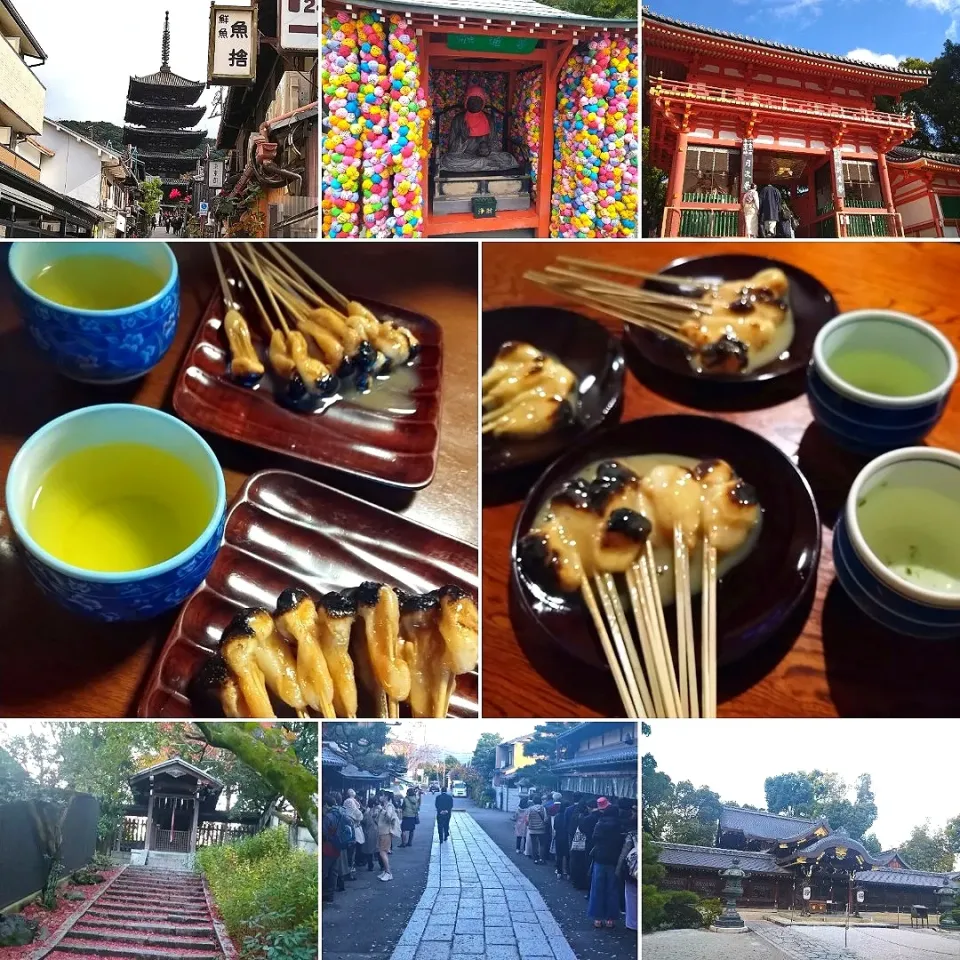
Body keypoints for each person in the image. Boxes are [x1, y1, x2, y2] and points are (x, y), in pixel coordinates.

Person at [441, 85, 518, 172]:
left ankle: (481, 163)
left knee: (508, 158)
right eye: (472, 99)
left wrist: (487, 150)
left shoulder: (489, 119)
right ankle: (483, 164)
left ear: (483, 102)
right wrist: (462, 138)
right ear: (467, 101)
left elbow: (495, 144)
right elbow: (452, 150)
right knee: (448, 160)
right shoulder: (458, 119)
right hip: (465, 157)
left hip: (485, 157)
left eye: (478, 99)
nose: (475, 102)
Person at [588, 797, 624, 928]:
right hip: (613, 860)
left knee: (597, 888)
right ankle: (610, 919)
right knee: (612, 890)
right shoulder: (620, 825)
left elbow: (594, 838)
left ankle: (597, 918)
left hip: (600, 858)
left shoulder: (600, 823)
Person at [617, 813, 638, 932]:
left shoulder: (632, 834)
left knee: (631, 895)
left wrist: (618, 869)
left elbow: (624, 853)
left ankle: (632, 923)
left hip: (632, 868)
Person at [376, 793, 400, 881]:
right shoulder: (385, 806)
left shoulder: (389, 806)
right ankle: (385, 871)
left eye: (382, 795)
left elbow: (389, 817)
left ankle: (388, 873)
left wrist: (381, 810)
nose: (380, 797)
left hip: (386, 832)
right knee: (381, 851)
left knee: (383, 852)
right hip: (382, 831)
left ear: (386, 797)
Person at [568, 800, 591, 890]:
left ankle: (575, 881)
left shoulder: (574, 815)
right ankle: (582, 882)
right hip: (583, 843)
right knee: (582, 863)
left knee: (575, 862)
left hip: (575, 841)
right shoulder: (585, 817)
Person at [342, 788, 363, 880]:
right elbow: (358, 815)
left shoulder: (347, 802)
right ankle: (349, 871)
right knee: (351, 852)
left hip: (347, 828)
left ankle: (348, 870)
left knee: (348, 852)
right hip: (352, 828)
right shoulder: (351, 802)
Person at [526, 794, 547, 864]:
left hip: (532, 829)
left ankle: (535, 859)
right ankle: (541, 859)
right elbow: (546, 819)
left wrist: (528, 825)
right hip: (541, 829)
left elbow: (527, 819)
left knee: (534, 844)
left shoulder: (530, 809)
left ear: (533, 801)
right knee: (542, 844)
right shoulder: (543, 808)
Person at [360, 797, 378, 872]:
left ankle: (370, 865)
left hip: (369, 832)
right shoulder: (377, 810)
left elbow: (363, 821)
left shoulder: (367, 812)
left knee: (369, 850)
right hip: (376, 831)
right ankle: (381, 864)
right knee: (377, 849)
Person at [554, 799, 570, 879]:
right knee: (567, 855)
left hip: (558, 837)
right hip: (567, 837)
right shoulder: (568, 816)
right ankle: (567, 872)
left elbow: (555, 827)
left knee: (559, 855)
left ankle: (559, 871)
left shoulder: (557, 816)